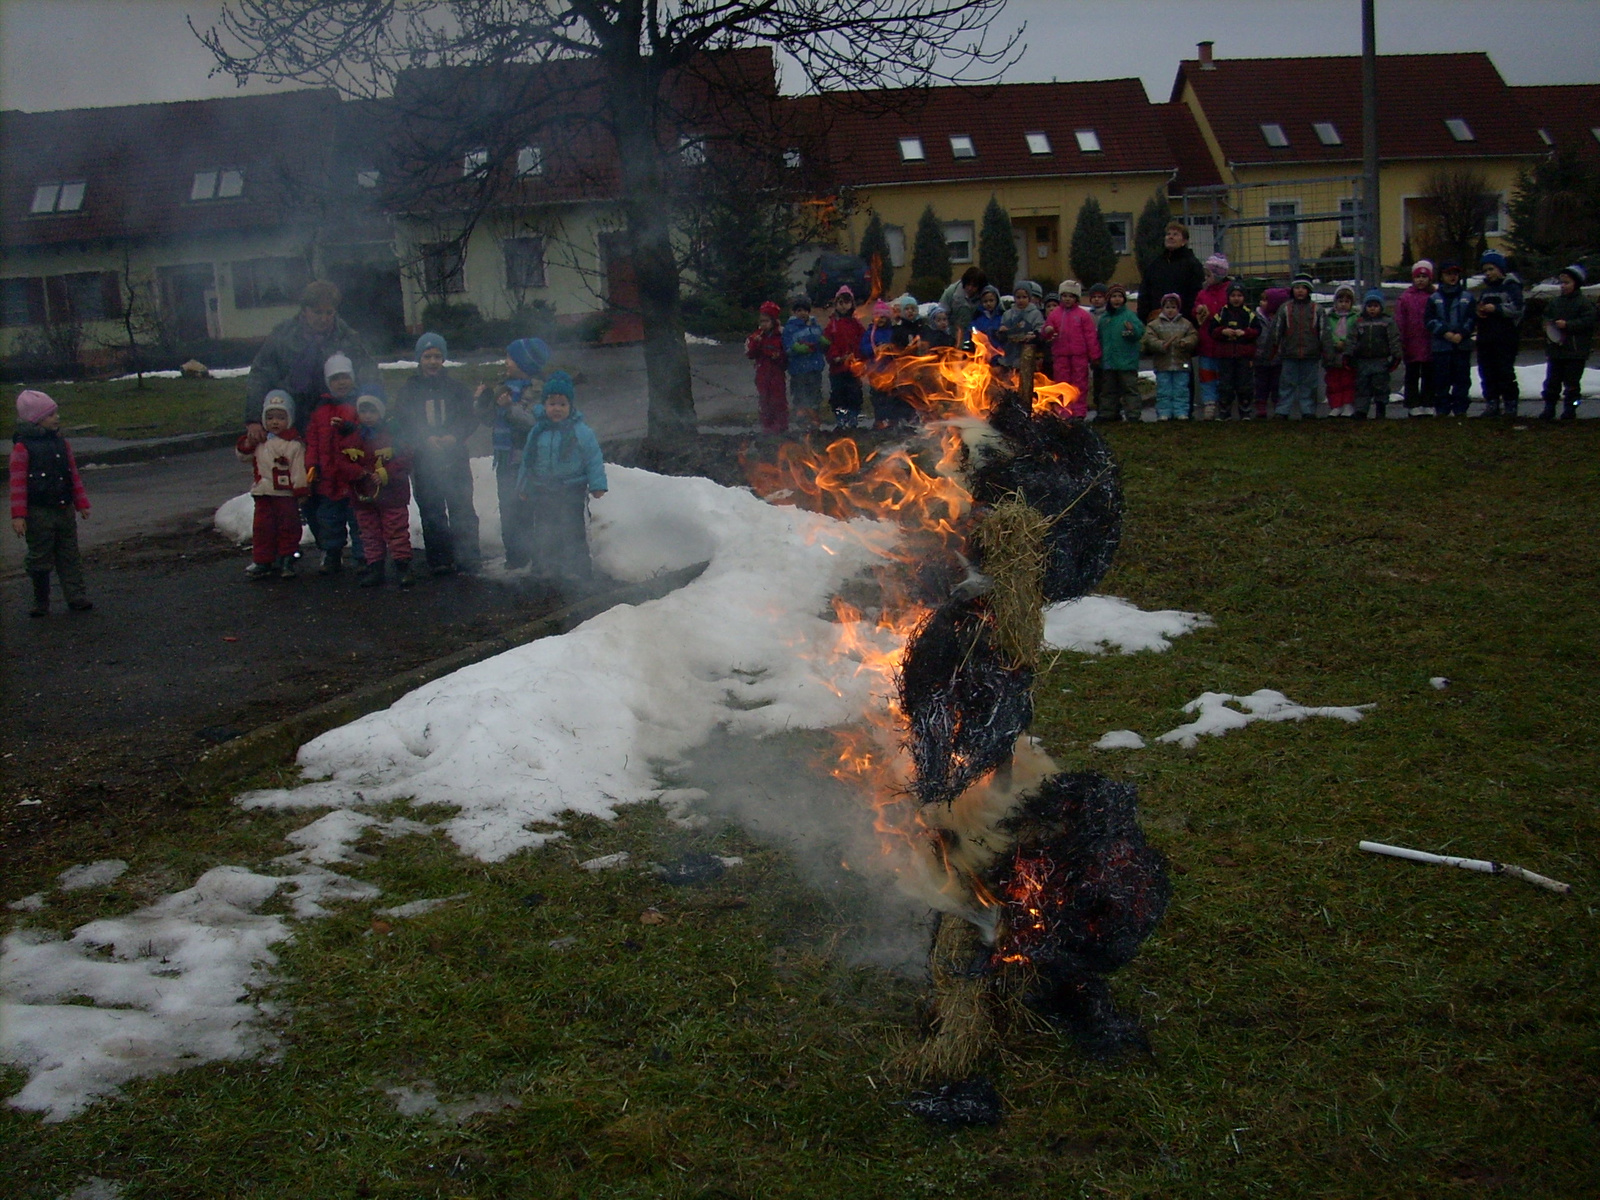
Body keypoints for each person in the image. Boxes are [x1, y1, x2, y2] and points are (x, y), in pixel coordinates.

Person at [243, 279, 379, 439]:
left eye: (329, 312)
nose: (324, 318)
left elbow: (369, 373)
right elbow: (261, 375)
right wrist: (254, 419)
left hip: (335, 419)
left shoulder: (348, 338)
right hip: (291, 418)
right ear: (304, 311)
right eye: (317, 312)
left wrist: (373, 407)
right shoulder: (282, 336)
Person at [395, 332, 480, 576]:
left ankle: (468, 556)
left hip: (455, 458)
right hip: (424, 461)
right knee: (432, 510)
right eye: (427, 356)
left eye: (437, 356)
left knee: (461, 506)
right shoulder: (410, 390)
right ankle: (440, 559)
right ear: (419, 358)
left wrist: (455, 435)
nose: (433, 361)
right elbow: (404, 420)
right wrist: (423, 439)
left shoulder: (456, 388)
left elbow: (469, 417)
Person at [515, 372, 607, 581]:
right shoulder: (538, 431)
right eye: (552, 404)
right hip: (543, 488)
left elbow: (593, 458)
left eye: (562, 404)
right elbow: (528, 460)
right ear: (544, 405)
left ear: (570, 406)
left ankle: (578, 569)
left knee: (572, 529)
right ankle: (547, 565)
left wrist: (597, 484)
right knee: (546, 529)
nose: (557, 409)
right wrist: (523, 486)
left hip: (571, 488)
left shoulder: (580, 431)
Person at [10, 389, 91, 617]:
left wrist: (81, 503)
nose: (56, 418)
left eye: (55, 413)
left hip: (64, 509)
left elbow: (72, 474)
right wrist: (18, 515)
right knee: (39, 556)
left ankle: (76, 596)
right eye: (50, 415)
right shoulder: (22, 448)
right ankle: (41, 600)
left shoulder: (61, 444)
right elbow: (17, 485)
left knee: (69, 555)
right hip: (38, 514)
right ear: (35, 420)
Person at [475, 337, 546, 567]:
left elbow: (531, 422)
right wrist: (482, 401)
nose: (506, 362)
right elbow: (489, 420)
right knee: (508, 508)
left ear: (525, 363)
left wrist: (508, 408)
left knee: (527, 509)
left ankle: (536, 556)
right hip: (504, 460)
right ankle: (514, 556)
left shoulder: (537, 390)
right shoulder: (503, 387)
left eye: (511, 358)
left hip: (526, 461)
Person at [302, 354, 365, 572]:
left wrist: (350, 429)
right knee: (329, 520)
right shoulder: (320, 411)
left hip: (353, 478)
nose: (341, 382)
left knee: (358, 519)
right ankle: (331, 553)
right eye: (336, 378)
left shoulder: (359, 406)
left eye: (345, 377)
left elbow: (367, 436)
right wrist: (312, 466)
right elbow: (312, 441)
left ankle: (363, 556)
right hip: (328, 478)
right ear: (329, 382)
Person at [236, 391, 308, 580]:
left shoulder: (294, 445)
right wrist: (248, 442)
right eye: (270, 417)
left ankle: (288, 557)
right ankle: (262, 559)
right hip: (263, 493)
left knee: (288, 527)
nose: (275, 422)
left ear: (290, 419)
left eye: (280, 418)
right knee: (262, 528)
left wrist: (300, 489)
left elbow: (299, 469)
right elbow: (243, 456)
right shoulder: (260, 442)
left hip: (285, 494)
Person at [346, 395, 414, 588]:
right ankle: (375, 568)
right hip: (364, 496)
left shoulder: (394, 434)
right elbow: (342, 461)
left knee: (396, 531)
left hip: (392, 495)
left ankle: (403, 566)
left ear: (381, 413)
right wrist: (357, 472)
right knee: (369, 533)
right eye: (363, 411)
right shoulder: (353, 437)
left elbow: (406, 459)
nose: (368, 416)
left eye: (372, 411)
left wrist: (386, 472)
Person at [1540, 264, 1596, 421]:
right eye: (1562, 283)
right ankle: (1549, 407)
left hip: (1575, 352)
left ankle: (1571, 408)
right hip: (1556, 350)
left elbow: (1588, 321)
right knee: (1552, 383)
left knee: (1572, 384)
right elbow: (1545, 316)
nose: (1563, 286)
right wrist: (1547, 325)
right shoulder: (1555, 303)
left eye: (1567, 283)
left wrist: (1568, 325)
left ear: (1576, 284)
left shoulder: (1584, 303)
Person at [1474, 251, 1524, 418]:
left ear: (1500, 268)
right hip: (1486, 338)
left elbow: (1517, 309)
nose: (1488, 273)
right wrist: (1479, 313)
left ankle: (1510, 404)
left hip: (1505, 338)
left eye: (1491, 269)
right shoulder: (1486, 290)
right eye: (1485, 270)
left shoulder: (1511, 286)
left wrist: (1496, 309)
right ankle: (1492, 402)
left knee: (1505, 372)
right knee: (1487, 372)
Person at [1425, 262, 1475, 417]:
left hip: (1462, 345)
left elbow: (1472, 319)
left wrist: (1462, 333)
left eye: (1455, 273)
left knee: (1462, 378)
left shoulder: (1467, 297)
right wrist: (1445, 332)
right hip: (1441, 346)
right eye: (1448, 273)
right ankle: (1442, 408)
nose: (1452, 277)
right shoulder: (1434, 298)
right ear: (1442, 276)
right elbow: (1429, 320)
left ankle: (1460, 408)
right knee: (1441, 379)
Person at [1271, 273, 1324, 419]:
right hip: (1289, 353)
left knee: (1309, 385)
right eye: (1297, 287)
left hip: (1311, 354)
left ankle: (1308, 410)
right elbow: (1276, 331)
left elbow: (1324, 333)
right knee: (1286, 384)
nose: (1300, 291)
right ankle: (1282, 410)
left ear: (1309, 290)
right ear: (1292, 290)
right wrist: (1272, 350)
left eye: (1303, 288)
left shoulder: (1317, 310)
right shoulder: (1285, 309)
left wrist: (1327, 352)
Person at [1044, 279, 1100, 417]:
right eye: (1064, 296)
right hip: (1060, 355)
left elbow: (1090, 336)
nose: (1067, 299)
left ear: (1076, 298)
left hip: (1079, 356)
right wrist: (1048, 330)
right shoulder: (1055, 314)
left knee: (1079, 384)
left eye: (1071, 296)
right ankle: (1064, 410)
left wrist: (1095, 355)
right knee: (1062, 384)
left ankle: (1079, 411)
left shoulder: (1083, 315)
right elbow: (1046, 332)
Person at [1142, 293, 1199, 419]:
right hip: (1163, 364)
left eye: (1173, 307)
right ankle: (1164, 412)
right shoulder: (1154, 325)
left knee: (1181, 390)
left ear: (1178, 309)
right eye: (1167, 307)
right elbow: (1149, 339)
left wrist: (1186, 342)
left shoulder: (1186, 324)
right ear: (1162, 308)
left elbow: (1193, 336)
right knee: (1164, 390)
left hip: (1181, 363)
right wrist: (1161, 345)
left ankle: (1181, 411)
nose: (1170, 310)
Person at [1206, 282, 1258, 419]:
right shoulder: (1222, 313)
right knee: (1225, 385)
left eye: (1239, 295)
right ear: (1228, 297)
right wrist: (1223, 331)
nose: (1236, 298)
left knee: (1245, 385)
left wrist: (1244, 333)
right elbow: (1212, 330)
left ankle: (1245, 410)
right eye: (1233, 295)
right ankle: (1224, 411)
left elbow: (1257, 330)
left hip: (1244, 356)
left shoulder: (1249, 314)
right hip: (1225, 356)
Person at [1137, 221, 1206, 323]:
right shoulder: (1155, 264)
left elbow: (1196, 294)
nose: (1170, 237)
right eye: (1168, 234)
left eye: (1175, 234)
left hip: (1183, 322)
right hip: (1156, 320)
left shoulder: (1192, 264)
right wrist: (1144, 315)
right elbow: (1145, 291)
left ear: (1184, 241)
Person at [1095, 282, 1145, 422]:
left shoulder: (1129, 316)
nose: (1117, 299)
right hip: (1109, 361)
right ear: (1108, 299)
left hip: (1126, 361)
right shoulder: (1104, 319)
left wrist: (1132, 331)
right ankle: (1108, 413)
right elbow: (1099, 339)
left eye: (1119, 296)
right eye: (1114, 296)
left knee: (1130, 389)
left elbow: (1140, 332)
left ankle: (1133, 414)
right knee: (1108, 390)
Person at [1191, 253, 1232, 419]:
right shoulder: (1202, 293)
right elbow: (1195, 309)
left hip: (1224, 343)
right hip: (1206, 342)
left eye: (1209, 275)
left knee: (1223, 375)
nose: (1206, 278)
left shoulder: (1229, 292)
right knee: (1207, 375)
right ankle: (1209, 403)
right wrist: (1198, 311)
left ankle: (1223, 402)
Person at [1351, 290, 1402, 420]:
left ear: (1381, 307)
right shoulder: (1359, 322)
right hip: (1362, 360)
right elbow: (1351, 340)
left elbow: (1394, 340)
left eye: (1375, 306)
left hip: (1380, 360)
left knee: (1381, 386)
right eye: (1369, 306)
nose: (1372, 309)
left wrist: (1396, 356)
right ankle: (1361, 411)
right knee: (1362, 387)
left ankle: (1381, 408)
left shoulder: (1387, 322)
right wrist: (1348, 355)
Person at [822, 286, 866, 431]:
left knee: (854, 394)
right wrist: (835, 357)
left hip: (853, 367)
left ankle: (853, 418)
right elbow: (827, 344)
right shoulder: (832, 325)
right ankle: (841, 419)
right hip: (838, 368)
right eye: (840, 302)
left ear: (851, 304)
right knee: (838, 395)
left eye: (846, 302)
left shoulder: (856, 324)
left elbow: (862, 342)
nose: (843, 305)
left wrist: (857, 357)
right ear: (836, 304)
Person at [782, 294, 829, 429]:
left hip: (814, 368)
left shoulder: (815, 326)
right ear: (794, 312)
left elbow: (821, 342)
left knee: (815, 395)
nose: (802, 313)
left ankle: (814, 421)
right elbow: (788, 346)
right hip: (799, 370)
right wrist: (797, 348)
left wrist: (823, 342)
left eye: (805, 310)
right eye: (799, 310)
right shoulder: (790, 328)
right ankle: (802, 422)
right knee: (800, 396)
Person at [1395, 261, 1435, 416]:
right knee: (1411, 375)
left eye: (1424, 276)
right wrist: (1401, 339)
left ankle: (1428, 402)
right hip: (1411, 343)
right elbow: (1400, 319)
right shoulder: (1405, 298)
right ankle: (1412, 403)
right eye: (1418, 276)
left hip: (1429, 343)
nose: (1420, 280)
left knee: (1428, 375)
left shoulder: (1433, 296)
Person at [746, 301, 789, 434]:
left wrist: (779, 357)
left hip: (776, 374)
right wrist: (755, 344)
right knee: (764, 401)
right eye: (762, 321)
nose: (764, 324)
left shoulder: (781, 336)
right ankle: (767, 426)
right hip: (762, 374)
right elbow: (750, 354)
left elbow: (787, 356)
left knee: (778, 401)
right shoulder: (756, 336)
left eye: (767, 321)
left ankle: (781, 426)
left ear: (773, 321)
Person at [1322, 285, 1360, 417]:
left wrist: (1344, 342)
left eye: (1347, 301)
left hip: (1348, 353)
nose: (1343, 304)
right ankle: (1336, 405)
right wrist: (1334, 342)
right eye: (1340, 301)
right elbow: (1326, 333)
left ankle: (1348, 404)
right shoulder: (1329, 317)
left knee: (1348, 379)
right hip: (1332, 354)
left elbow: (1355, 334)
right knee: (1333, 380)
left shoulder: (1355, 318)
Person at [1252, 287, 1289, 419]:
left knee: (1277, 383)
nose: (1261, 303)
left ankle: (1278, 406)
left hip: (1277, 358)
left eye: (1265, 300)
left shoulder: (1281, 319)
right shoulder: (1256, 317)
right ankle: (1261, 405)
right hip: (1260, 356)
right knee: (1260, 383)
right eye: (1262, 300)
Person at [860, 300, 898, 429]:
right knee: (877, 398)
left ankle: (892, 419)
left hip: (891, 371)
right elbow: (864, 348)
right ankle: (879, 420)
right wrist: (874, 350)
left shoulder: (892, 332)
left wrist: (890, 350)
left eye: (883, 317)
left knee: (891, 397)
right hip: (875, 372)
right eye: (877, 317)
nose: (880, 320)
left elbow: (898, 348)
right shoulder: (870, 333)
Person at [997, 280, 1045, 372]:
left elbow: (1040, 329)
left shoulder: (1035, 314)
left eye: (1024, 297)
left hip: (1027, 356)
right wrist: (1002, 331)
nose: (1021, 300)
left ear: (1029, 298)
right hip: (1009, 356)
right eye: (1018, 297)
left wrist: (1035, 335)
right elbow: (1002, 335)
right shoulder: (1008, 314)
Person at [938, 266, 987, 340]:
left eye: (974, 286)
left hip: (977, 337)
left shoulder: (986, 294)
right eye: (968, 284)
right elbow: (940, 313)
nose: (970, 288)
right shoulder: (951, 292)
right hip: (952, 336)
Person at [1085, 283, 1109, 411]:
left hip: (1107, 352)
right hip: (1094, 353)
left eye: (1100, 297)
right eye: (1094, 297)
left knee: (1108, 382)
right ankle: (1099, 404)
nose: (1097, 299)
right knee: (1097, 381)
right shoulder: (1088, 315)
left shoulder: (1109, 314)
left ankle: (1108, 407)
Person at [970, 284, 1004, 354]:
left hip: (999, 351)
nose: (988, 304)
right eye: (985, 301)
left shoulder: (1002, 316)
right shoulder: (977, 318)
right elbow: (972, 331)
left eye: (991, 301)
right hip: (982, 352)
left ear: (997, 300)